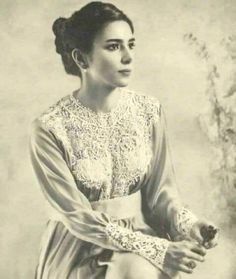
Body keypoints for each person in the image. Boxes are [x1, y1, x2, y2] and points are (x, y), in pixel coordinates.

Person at [29, 1, 218, 278]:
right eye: (114, 46)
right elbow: (77, 217)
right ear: (82, 59)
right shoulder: (49, 127)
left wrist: (189, 225)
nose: (128, 57)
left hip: (139, 239)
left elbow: (159, 196)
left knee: (139, 269)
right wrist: (156, 250)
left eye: (131, 44)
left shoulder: (148, 111)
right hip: (77, 249)